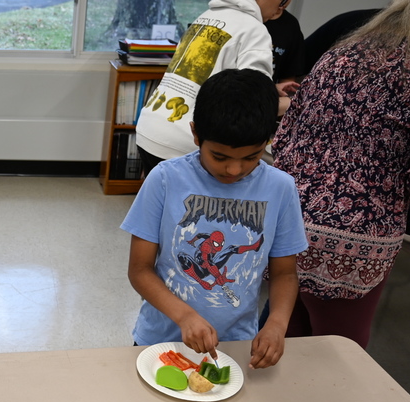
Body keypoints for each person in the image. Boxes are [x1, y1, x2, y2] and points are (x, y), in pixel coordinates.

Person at [271, 0, 410, 349]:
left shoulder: (341, 53)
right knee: (339, 353)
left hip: (289, 225)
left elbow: (285, 139)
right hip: (356, 243)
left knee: (283, 340)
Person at [122, 68, 308, 370]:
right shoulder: (166, 179)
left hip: (235, 344)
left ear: (269, 140)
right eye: (219, 157)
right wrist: (184, 316)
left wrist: (276, 323)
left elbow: (285, 273)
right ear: (196, 134)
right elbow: (140, 270)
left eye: (251, 157)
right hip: (160, 339)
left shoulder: (281, 188)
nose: (234, 170)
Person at [134, 0, 294, 175]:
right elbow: (253, 106)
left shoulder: (206, 17)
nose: (282, 9)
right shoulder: (254, 30)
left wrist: (270, 89)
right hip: (187, 142)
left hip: (151, 129)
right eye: (283, 1)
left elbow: (206, 79)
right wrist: (293, 103)